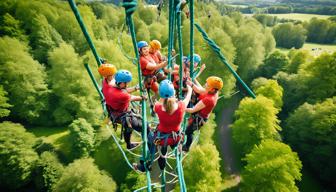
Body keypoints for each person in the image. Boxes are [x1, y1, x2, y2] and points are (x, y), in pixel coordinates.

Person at [134, 80, 192, 172]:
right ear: (173, 93)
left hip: (161, 139)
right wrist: (189, 89)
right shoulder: (181, 106)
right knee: (169, 147)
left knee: (150, 141)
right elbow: (188, 96)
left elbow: (157, 104)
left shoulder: (158, 108)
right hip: (175, 138)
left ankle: (145, 166)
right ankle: (177, 151)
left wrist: (162, 97)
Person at [102, 69, 147, 149]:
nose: (127, 84)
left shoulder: (106, 84)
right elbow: (132, 97)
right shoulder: (121, 95)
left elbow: (123, 89)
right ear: (119, 82)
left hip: (113, 110)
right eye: (125, 83)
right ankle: (129, 144)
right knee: (143, 127)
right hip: (121, 115)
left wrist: (136, 88)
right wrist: (142, 97)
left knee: (130, 122)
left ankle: (129, 143)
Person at [183, 76, 223, 152]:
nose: (205, 85)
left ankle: (187, 147)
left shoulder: (209, 99)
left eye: (207, 85)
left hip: (199, 117)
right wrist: (193, 81)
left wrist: (181, 107)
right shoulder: (213, 91)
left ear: (213, 89)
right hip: (200, 107)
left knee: (188, 131)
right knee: (194, 93)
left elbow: (192, 110)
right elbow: (200, 89)